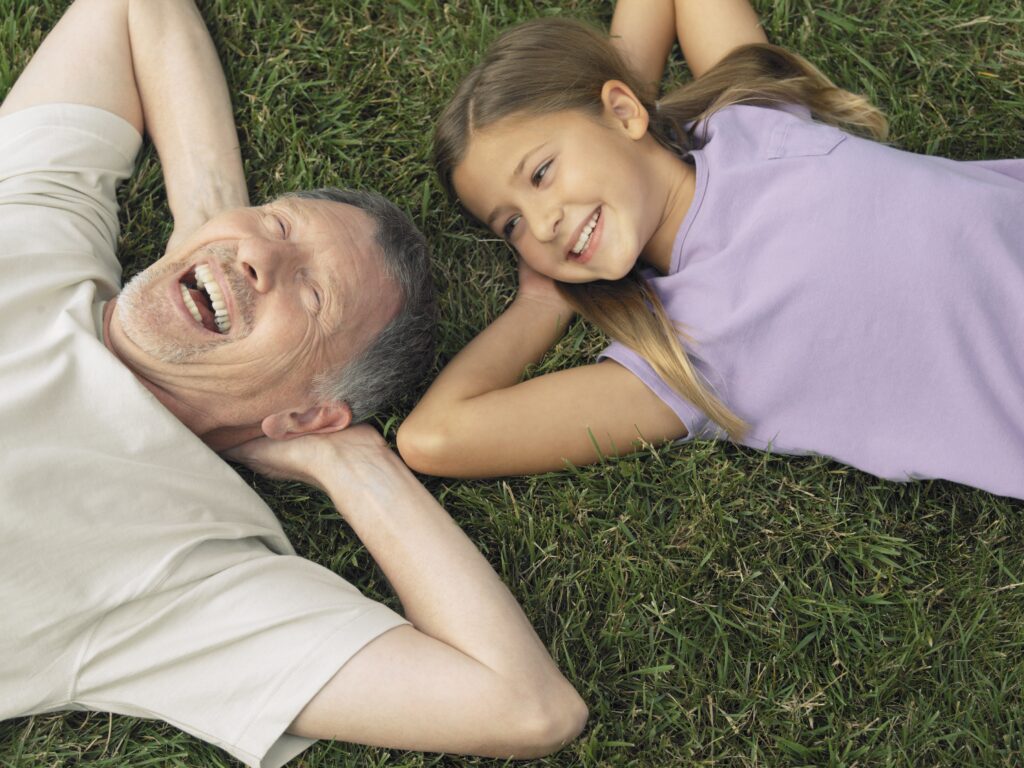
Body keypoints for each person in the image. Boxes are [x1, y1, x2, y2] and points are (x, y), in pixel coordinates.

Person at [0, 1, 587, 766]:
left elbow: (527, 706)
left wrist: (354, 463)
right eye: (279, 228)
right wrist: (212, 219)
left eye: (309, 297)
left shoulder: (181, 572)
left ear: (309, 411)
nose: (259, 261)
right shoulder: (41, 227)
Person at [396, 0, 1024, 501]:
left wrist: (617, 100)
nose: (544, 223)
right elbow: (433, 437)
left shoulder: (748, 119)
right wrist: (539, 304)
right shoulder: (690, 352)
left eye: (540, 174)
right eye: (512, 227)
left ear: (621, 111)